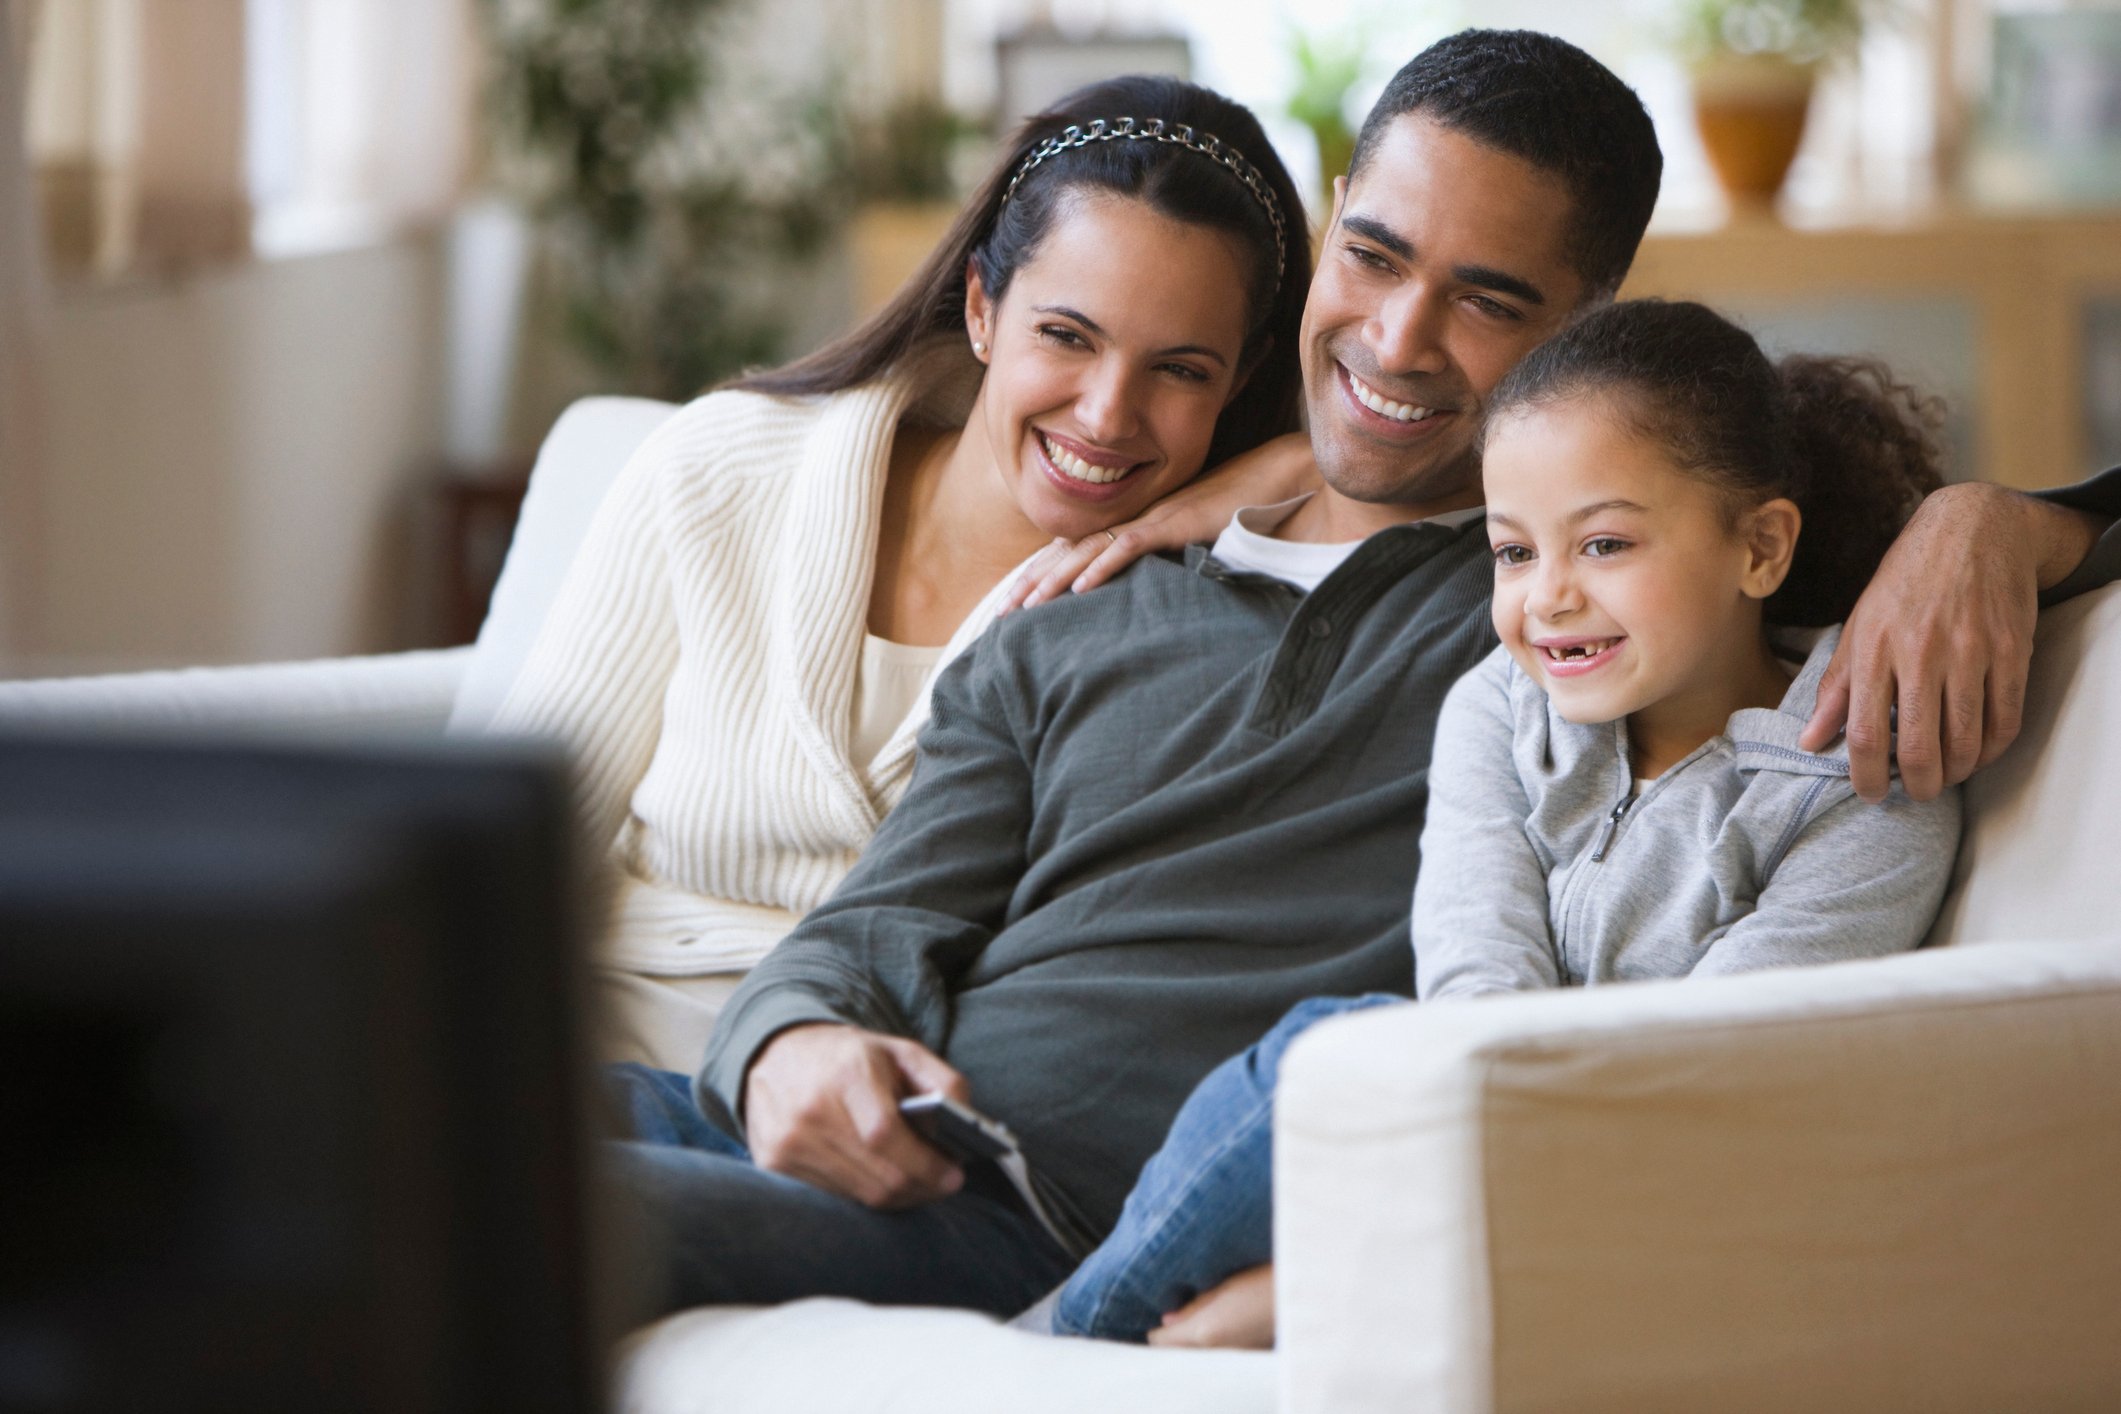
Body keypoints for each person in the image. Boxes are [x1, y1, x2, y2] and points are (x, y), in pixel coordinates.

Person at [606, 30, 2121, 1324]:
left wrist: (1992, 519)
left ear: (1584, 328)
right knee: (398, 1115)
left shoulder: (1574, 616)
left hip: (1051, 1220)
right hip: (883, 1128)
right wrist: (791, 1039)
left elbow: (1766, 561)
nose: (1398, 338)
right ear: (1329, 222)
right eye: (1376, 255)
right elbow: (879, 921)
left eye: (1489, 300)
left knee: (525, 1218)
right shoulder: (1084, 608)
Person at [1040, 298, 1968, 1346]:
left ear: (1760, 547)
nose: (1549, 597)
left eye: (1605, 542)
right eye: (1513, 552)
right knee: (1320, 1054)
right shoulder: (1499, 705)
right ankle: (1073, 1340)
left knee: (1333, 1053)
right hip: (1480, 1135)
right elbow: (1474, 983)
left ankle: (1082, 1345)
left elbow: (1707, 1073)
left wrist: (1325, 1290)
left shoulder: (1864, 783)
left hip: (1674, 1200)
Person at [487, 75, 1313, 1073]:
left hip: (881, 1115)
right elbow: (512, 849)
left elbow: (1505, 469)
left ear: (1240, 379)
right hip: (588, 1058)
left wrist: (1295, 466)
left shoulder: (1195, 614)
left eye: (1181, 369)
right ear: (981, 306)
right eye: (1066, 335)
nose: (1106, 414)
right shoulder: (724, 468)